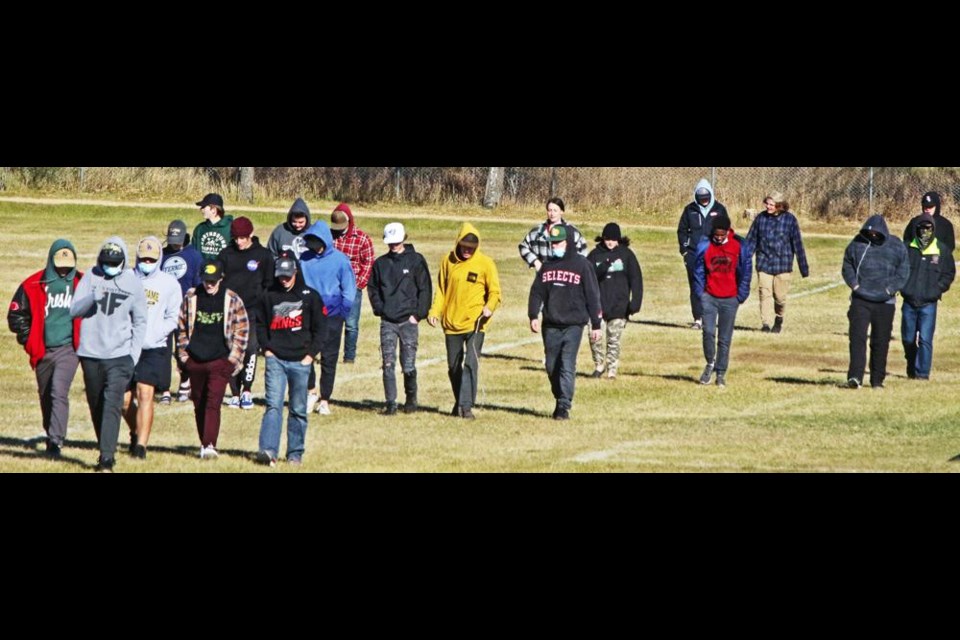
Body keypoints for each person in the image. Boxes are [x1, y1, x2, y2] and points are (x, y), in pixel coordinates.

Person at [70, 237, 148, 472]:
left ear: (123, 262)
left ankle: (107, 458)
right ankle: (105, 444)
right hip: (90, 354)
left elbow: (141, 320)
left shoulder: (132, 283)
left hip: (119, 355)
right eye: (106, 263)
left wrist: (133, 356)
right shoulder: (90, 277)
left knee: (113, 403)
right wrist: (91, 297)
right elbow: (74, 310)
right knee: (97, 405)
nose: (109, 267)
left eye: (114, 263)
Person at [7, 240, 83, 458]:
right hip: (42, 350)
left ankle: (55, 441)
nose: (63, 270)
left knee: (58, 390)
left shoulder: (81, 282)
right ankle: (51, 432)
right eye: (59, 265)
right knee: (45, 394)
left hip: (69, 349)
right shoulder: (33, 284)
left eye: (68, 266)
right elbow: (16, 315)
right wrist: (29, 340)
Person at [256, 255, 325, 467]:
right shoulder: (268, 296)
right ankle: (268, 450)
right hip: (275, 359)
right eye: (281, 276)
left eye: (287, 276)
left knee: (297, 408)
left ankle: (295, 453)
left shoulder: (310, 296)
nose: (284, 280)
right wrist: (267, 349)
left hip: (300, 361)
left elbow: (320, 329)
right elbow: (260, 324)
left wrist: (309, 356)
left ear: (295, 273)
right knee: (273, 406)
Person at [528, 225, 603, 420]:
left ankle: (564, 405)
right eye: (553, 243)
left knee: (567, 363)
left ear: (568, 243)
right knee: (552, 365)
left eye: (559, 243)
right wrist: (533, 315)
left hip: (573, 324)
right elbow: (537, 291)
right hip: (551, 324)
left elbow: (593, 295)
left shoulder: (582, 265)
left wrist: (596, 324)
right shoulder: (547, 265)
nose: (555, 246)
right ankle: (559, 396)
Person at [428, 223, 501, 420]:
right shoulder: (447, 261)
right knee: (453, 367)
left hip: (476, 323)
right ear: (458, 243)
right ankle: (460, 400)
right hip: (451, 323)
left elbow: (495, 292)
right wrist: (435, 311)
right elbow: (442, 290)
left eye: (472, 248)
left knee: (470, 363)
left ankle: (466, 407)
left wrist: (489, 307)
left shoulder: (485, 263)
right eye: (464, 246)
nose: (467, 250)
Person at [177, 260, 249, 459]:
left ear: (221, 279)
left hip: (220, 360)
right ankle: (204, 441)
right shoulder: (191, 297)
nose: (210, 285)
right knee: (198, 402)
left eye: (214, 281)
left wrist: (232, 359)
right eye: (207, 281)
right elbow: (181, 327)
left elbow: (242, 329)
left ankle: (209, 445)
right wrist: (184, 356)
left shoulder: (232, 300)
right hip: (196, 359)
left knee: (213, 402)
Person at [122, 237, 181, 460]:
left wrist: (157, 333)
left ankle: (141, 447)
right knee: (123, 400)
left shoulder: (169, 283)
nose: (147, 262)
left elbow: (173, 317)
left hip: (153, 346)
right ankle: (136, 429)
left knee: (145, 393)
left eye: (151, 259)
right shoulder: (126, 278)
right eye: (143, 258)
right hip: (127, 345)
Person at [368, 223, 432, 415]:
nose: (393, 246)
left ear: (404, 239)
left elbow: (425, 289)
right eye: (390, 243)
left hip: (408, 321)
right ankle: (391, 403)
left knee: (409, 363)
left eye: (396, 242)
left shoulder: (416, 260)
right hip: (388, 321)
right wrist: (380, 309)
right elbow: (373, 289)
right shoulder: (380, 264)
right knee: (388, 362)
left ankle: (411, 399)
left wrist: (418, 314)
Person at [841, 214, 910, 390]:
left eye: (876, 235)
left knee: (881, 341)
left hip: (885, 302)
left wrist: (889, 290)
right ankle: (855, 377)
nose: (872, 237)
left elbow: (903, 272)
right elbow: (847, 264)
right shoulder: (857, 243)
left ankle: (877, 380)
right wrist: (855, 286)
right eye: (869, 234)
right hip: (860, 300)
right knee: (857, 339)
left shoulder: (896, 246)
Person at [299, 220, 356, 415]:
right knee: (305, 353)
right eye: (310, 240)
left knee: (329, 359)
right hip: (308, 314)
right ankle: (311, 391)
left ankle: (325, 400)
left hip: (332, 316)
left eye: (315, 240)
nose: (312, 244)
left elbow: (349, 290)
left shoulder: (340, 260)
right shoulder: (303, 259)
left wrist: (343, 312)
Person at [217, 216, 274, 409]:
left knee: (250, 349)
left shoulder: (264, 255)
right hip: (231, 310)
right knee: (232, 350)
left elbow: (268, 284)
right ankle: (233, 392)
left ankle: (247, 390)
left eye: (243, 238)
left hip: (253, 311)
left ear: (250, 235)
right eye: (236, 238)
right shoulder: (226, 254)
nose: (239, 242)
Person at [693, 213, 752, 388]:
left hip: (730, 298)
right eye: (716, 235)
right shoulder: (705, 246)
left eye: (722, 235)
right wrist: (701, 294)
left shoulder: (738, 246)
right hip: (709, 297)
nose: (719, 238)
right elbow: (698, 271)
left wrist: (740, 296)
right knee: (708, 332)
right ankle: (710, 362)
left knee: (724, 339)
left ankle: (721, 372)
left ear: (727, 232)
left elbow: (746, 272)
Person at [745, 192, 810, 333]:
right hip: (764, 263)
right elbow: (751, 241)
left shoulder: (790, 220)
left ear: (779, 206)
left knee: (780, 297)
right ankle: (766, 324)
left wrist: (803, 267)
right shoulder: (760, 219)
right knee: (764, 293)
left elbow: (798, 244)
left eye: (771, 205)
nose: (768, 207)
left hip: (783, 265)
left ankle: (779, 318)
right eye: (767, 204)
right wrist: (744, 260)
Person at [901, 214, 955, 380]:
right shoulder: (908, 248)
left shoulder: (942, 250)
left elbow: (949, 273)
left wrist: (936, 289)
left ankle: (922, 374)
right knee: (908, 339)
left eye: (928, 229)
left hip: (928, 303)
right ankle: (911, 364)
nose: (925, 232)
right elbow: (898, 270)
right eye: (922, 228)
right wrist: (904, 287)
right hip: (909, 301)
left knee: (925, 339)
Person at [587, 223, 643, 379]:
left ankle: (612, 369)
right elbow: (587, 278)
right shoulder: (594, 255)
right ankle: (599, 365)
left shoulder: (627, 255)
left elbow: (636, 280)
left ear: (618, 239)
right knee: (594, 337)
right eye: (607, 239)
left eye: (613, 239)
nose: (610, 242)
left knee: (613, 339)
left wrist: (635, 303)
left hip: (619, 305)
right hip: (597, 305)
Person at [159, 219, 202, 403]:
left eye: (177, 239)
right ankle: (164, 388)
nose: (173, 242)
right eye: (171, 239)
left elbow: (198, 284)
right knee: (163, 349)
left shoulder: (194, 256)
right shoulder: (162, 255)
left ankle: (185, 382)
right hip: (163, 309)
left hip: (185, 309)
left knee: (183, 349)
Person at [678, 179, 728, 329]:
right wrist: (685, 250)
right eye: (701, 198)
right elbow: (682, 231)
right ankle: (698, 318)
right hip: (694, 254)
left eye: (706, 198)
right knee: (696, 286)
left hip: (714, 254)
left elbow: (727, 230)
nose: (704, 201)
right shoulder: (689, 210)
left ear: (710, 195)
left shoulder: (719, 209)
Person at [330, 203, 374, 365]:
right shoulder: (329, 237)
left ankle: (349, 357)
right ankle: (331, 355)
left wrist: (359, 284)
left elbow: (368, 262)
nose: (339, 229)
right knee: (332, 324)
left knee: (351, 325)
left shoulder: (362, 239)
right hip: (332, 288)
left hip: (352, 287)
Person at [519, 197, 588, 272]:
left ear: (562, 212)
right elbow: (523, 247)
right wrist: (535, 261)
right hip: (544, 276)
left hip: (566, 276)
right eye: (549, 210)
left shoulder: (572, 232)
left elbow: (583, 251)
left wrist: (574, 268)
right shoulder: (537, 231)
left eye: (555, 210)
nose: (552, 214)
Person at [191, 193, 233, 260]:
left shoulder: (230, 228)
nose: (201, 209)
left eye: (204, 207)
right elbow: (194, 252)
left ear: (213, 210)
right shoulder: (200, 229)